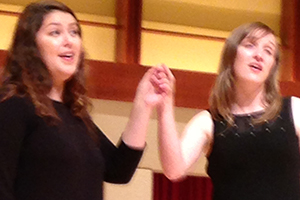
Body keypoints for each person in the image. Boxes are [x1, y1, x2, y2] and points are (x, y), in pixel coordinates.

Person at [0, 1, 160, 200]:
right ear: (30, 45)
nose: (69, 41)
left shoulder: (76, 114)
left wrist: (143, 104)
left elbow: (119, 171)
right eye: (55, 33)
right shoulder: (13, 104)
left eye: (74, 32)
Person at [152, 22, 300, 200]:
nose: (259, 55)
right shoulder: (207, 121)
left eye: (268, 51)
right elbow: (174, 170)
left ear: (272, 67)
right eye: (250, 45)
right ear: (231, 54)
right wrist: (165, 106)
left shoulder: (294, 109)